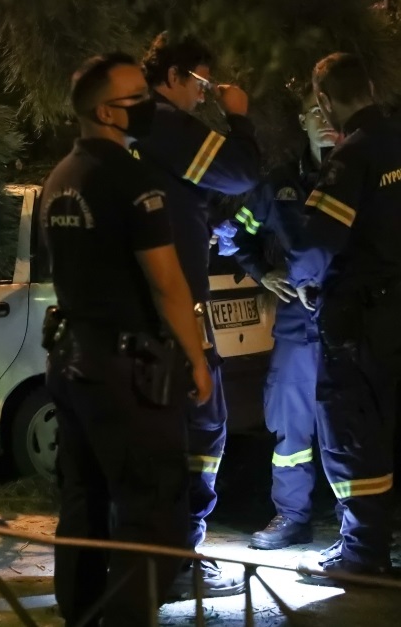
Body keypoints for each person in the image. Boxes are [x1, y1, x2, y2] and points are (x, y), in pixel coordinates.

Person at [41, 52, 212, 626]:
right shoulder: (132, 179)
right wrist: (196, 357)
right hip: (126, 369)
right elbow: (167, 283)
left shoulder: (61, 178)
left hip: (71, 360)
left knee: (84, 503)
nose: (148, 105)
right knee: (154, 512)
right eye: (137, 96)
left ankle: (81, 617)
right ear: (107, 112)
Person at [134, 32, 261, 596]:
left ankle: (163, 557)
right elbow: (239, 171)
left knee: (181, 428)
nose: (205, 95)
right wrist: (240, 118)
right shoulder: (165, 122)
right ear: (176, 76)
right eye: (202, 83)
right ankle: (178, 559)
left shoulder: (141, 131)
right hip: (177, 303)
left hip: (157, 303)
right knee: (202, 423)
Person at [289, 52, 401, 582]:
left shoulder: (351, 158)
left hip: (361, 321)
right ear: (372, 87)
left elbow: (317, 244)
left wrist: (302, 279)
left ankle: (361, 553)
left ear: (324, 100)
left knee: (352, 430)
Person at [229, 89, 337, 550]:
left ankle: (357, 526)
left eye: (329, 110)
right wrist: (263, 272)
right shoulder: (279, 185)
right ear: (301, 120)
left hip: (350, 321)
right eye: (314, 112)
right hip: (297, 326)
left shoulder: (361, 175)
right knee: (290, 424)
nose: (324, 119)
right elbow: (236, 234)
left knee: (352, 424)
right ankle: (292, 517)